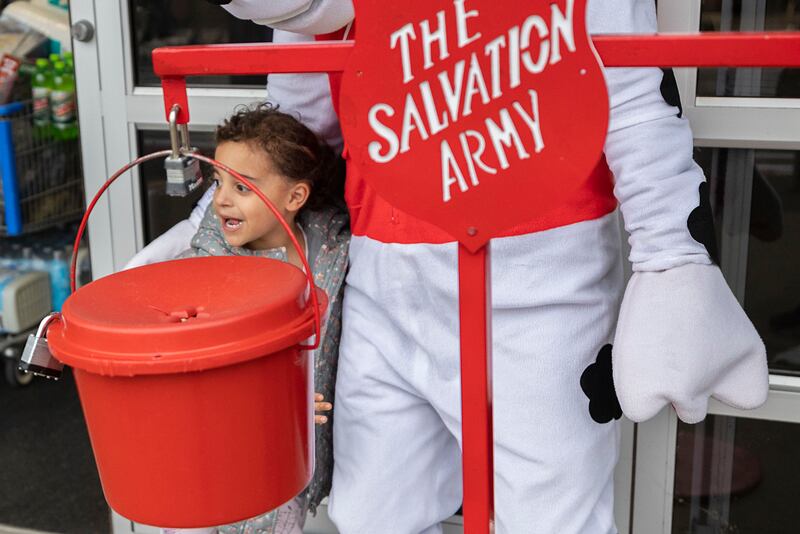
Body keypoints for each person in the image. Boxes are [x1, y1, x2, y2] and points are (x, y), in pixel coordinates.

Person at [134, 1, 769, 532]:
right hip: (385, 289)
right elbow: (294, 139)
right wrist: (205, 239)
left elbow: (635, 103)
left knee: (549, 515)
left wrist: (673, 258)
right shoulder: (325, 13)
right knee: (377, 512)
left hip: (543, 292)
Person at [161, 103, 350, 534]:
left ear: (296, 197)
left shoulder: (328, 246)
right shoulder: (207, 276)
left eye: (242, 187)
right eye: (218, 181)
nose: (221, 198)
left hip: (287, 464)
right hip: (212, 464)